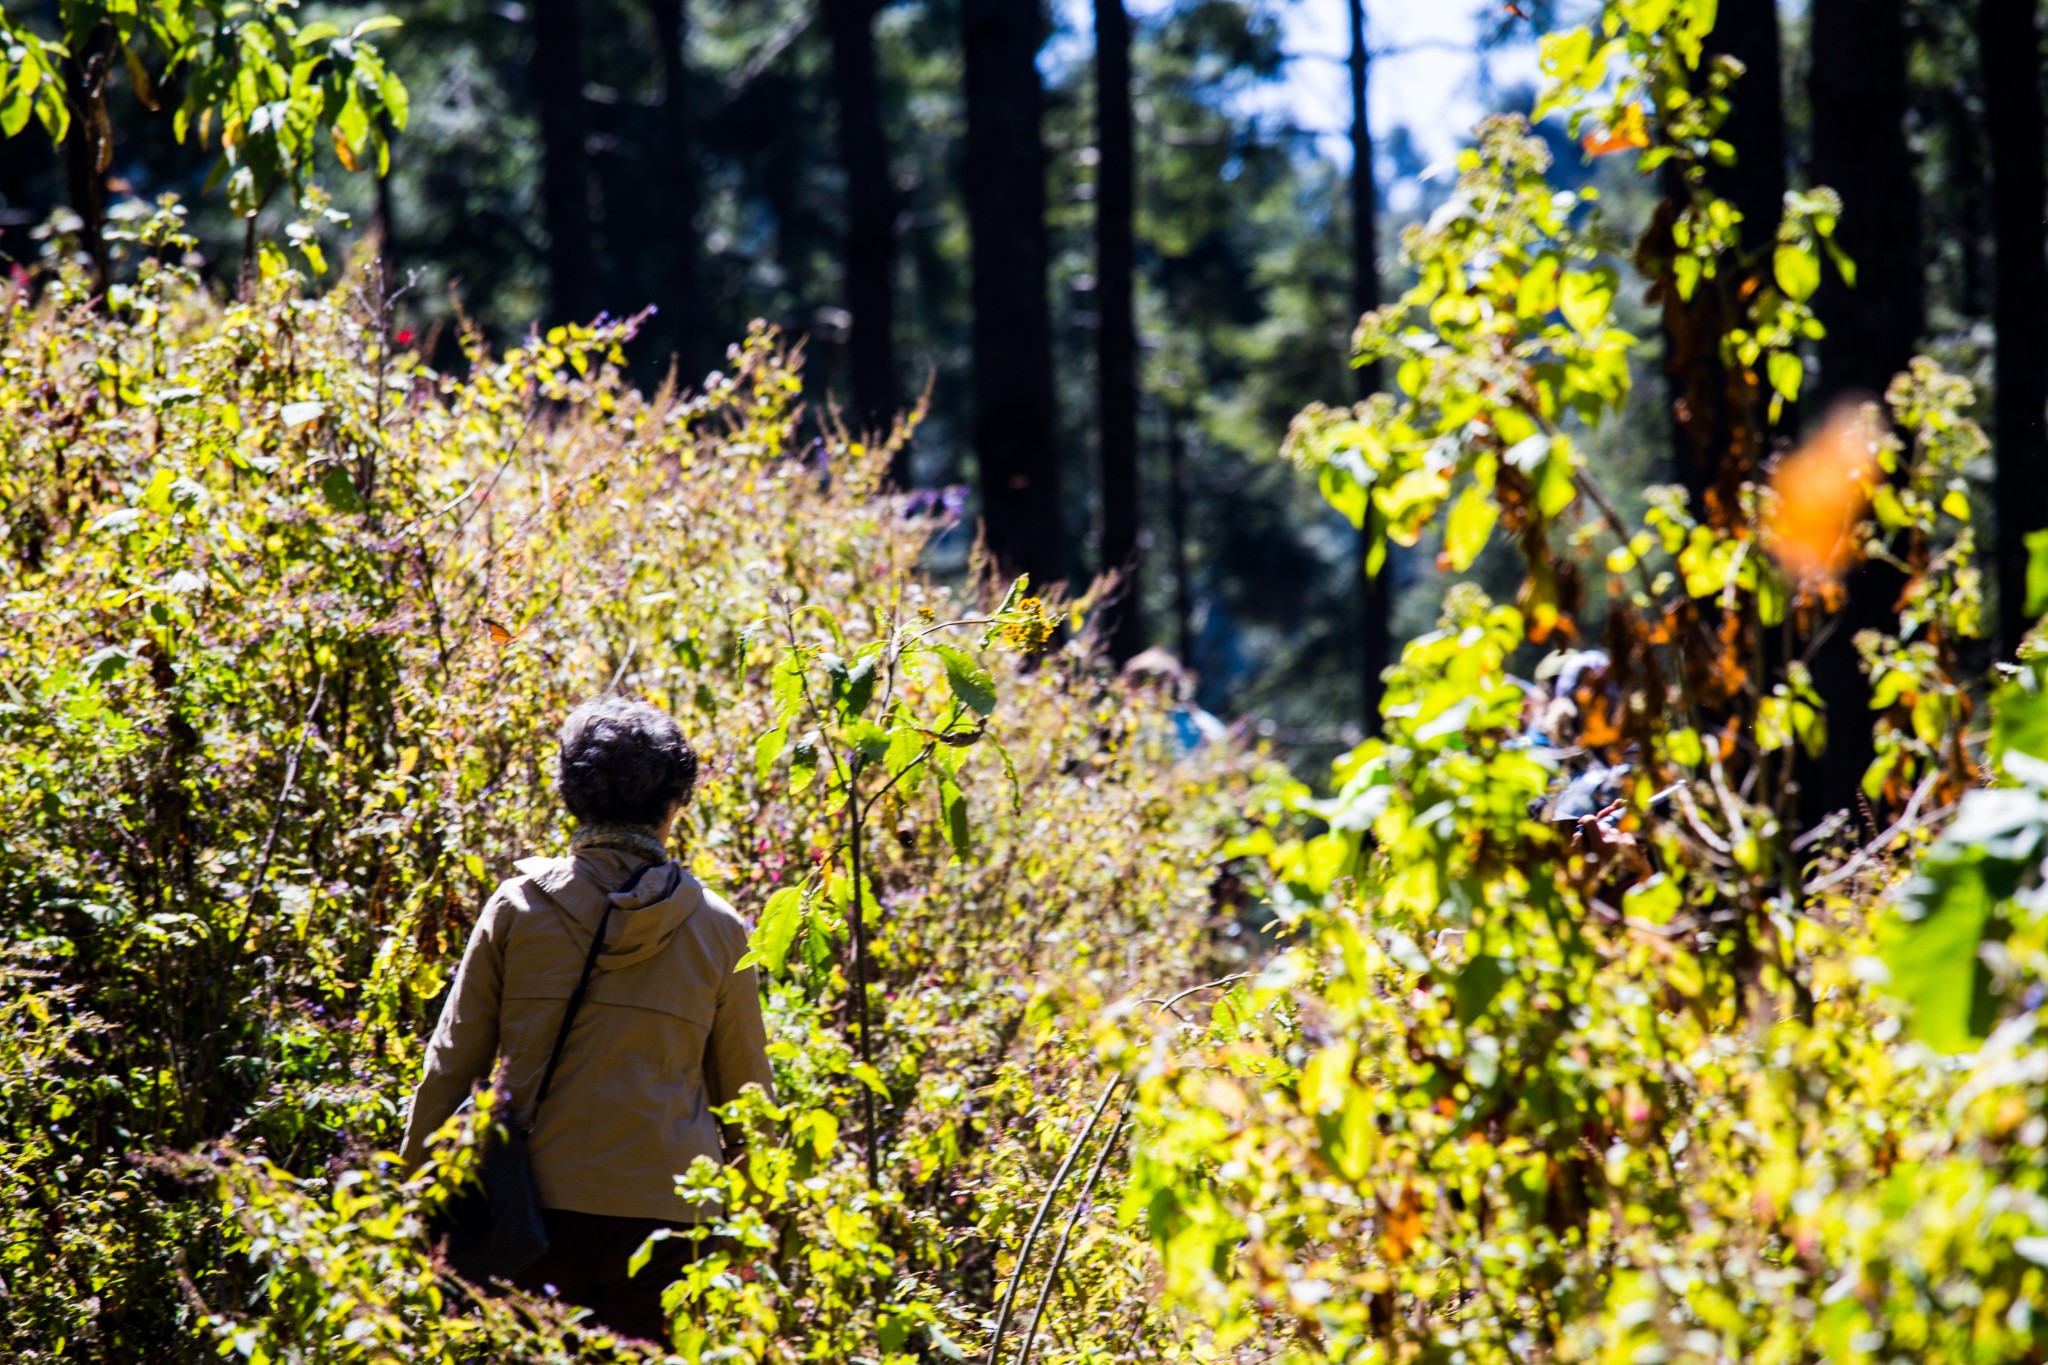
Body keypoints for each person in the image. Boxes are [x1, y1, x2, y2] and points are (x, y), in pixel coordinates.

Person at [399, 696, 775, 1343]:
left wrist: (413, 1191)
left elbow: (451, 1062)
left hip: (531, 1216)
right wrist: (759, 1231)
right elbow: (748, 1099)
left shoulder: (517, 909)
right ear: (675, 802)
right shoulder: (717, 928)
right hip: (670, 1229)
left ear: (572, 794)